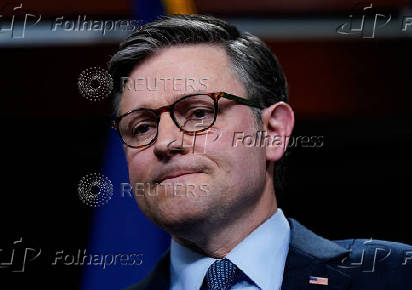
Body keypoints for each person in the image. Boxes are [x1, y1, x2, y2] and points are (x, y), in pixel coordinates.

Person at [108, 14, 411, 290]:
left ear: (273, 132)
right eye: (141, 128)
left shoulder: (397, 275)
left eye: (199, 113)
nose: (165, 142)